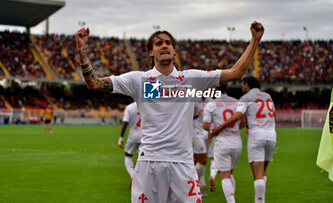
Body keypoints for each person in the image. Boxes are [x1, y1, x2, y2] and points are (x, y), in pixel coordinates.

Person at [74, 21, 264, 203]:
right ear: (151, 52)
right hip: (149, 163)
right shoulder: (139, 80)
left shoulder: (191, 78)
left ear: (174, 50)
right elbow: (94, 83)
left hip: (183, 164)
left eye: (168, 43)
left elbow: (236, 72)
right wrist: (81, 50)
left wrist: (255, 40)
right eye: (158, 43)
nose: (164, 46)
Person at [211, 75, 276, 203]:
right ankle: (259, 200)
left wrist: (218, 128)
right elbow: (274, 114)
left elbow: (238, 115)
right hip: (271, 135)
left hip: (257, 135)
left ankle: (259, 201)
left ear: (246, 85)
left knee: (257, 174)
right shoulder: (268, 96)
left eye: (243, 84)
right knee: (263, 172)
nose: (242, 87)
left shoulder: (245, 98)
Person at [203, 84, 246, 203]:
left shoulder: (211, 104)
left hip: (222, 142)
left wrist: (215, 129)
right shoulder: (237, 102)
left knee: (224, 175)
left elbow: (206, 126)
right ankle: (232, 199)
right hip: (236, 141)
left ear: (215, 90)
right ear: (226, 88)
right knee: (230, 172)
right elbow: (243, 122)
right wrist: (234, 128)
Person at [118, 101, 142, 188]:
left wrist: (121, 137)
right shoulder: (147, 105)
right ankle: (142, 180)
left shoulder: (129, 107)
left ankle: (133, 176)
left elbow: (125, 122)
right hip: (146, 135)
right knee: (143, 157)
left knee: (128, 155)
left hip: (133, 135)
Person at [192, 99, 208, 197]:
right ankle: (193, 185)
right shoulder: (192, 100)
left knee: (195, 160)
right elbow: (183, 116)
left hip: (201, 132)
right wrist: (194, 116)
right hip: (194, 132)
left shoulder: (207, 100)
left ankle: (194, 189)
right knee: (203, 159)